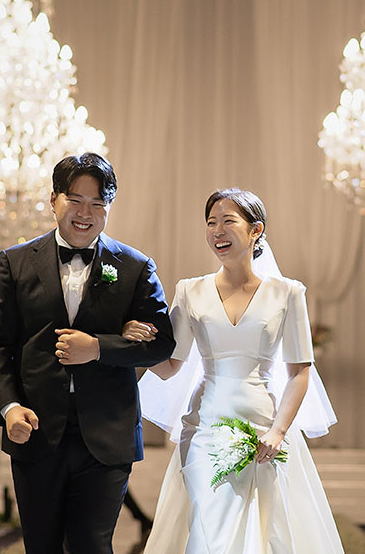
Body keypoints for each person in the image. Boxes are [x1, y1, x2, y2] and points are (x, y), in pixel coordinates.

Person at [0, 152, 176, 553]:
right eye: (76, 200)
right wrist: (9, 408)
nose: (86, 213)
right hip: (35, 431)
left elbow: (161, 345)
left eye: (98, 203)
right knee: (42, 547)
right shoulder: (15, 263)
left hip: (108, 435)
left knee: (91, 545)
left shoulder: (135, 267)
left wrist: (99, 347)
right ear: (53, 200)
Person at [138, 188, 344, 553]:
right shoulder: (189, 291)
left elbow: (299, 372)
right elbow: (170, 367)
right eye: (210, 223)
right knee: (210, 531)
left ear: (255, 230)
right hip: (203, 427)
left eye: (228, 221)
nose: (217, 231)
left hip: (264, 427)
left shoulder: (288, 293)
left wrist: (278, 431)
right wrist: (135, 345)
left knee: (264, 530)